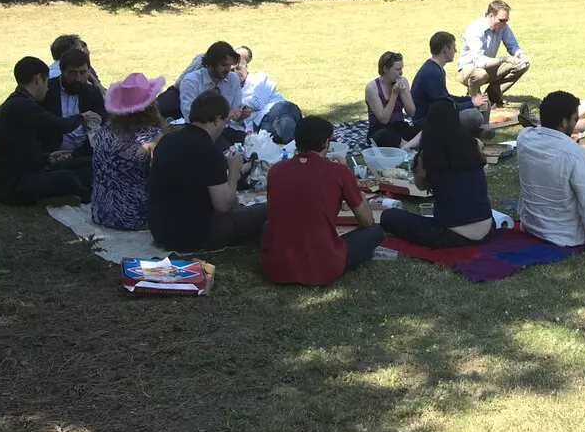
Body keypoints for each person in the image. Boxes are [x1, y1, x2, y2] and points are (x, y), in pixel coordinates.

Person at [260, 115, 386, 286]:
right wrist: (355, 190)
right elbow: (366, 221)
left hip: (276, 267)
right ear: (326, 142)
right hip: (322, 266)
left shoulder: (276, 170)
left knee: (268, 226)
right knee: (374, 232)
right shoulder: (339, 171)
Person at [148, 91, 268, 252]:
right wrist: (233, 172)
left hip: (160, 230)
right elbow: (223, 206)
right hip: (196, 236)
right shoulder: (209, 151)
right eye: (225, 121)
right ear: (218, 120)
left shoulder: (166, 141)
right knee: (267, 209)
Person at [379, 99, 494, 248]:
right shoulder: (474, 145)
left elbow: (420, 187)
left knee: (389, 216)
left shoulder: (427, 156)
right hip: (488, 228)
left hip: (451, 235)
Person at [514, 91, 585, 248]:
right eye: (575, 119)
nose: (576, 123)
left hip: (531, 225)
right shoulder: (575, 154)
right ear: (564, 122)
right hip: (566, 234)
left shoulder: (524, 138)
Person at [0, 56, 99, 206]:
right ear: (37, 79)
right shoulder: (21, 105)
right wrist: (82, 117)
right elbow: (58, 124)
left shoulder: (18, 102)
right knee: (66, 177)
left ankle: (63, 195)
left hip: (29, 171)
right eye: (46, 81)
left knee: (88, 164)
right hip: (14, 186)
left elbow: (21, 149)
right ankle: (83, 196)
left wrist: (47, 158)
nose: (47, 87)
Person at [88, 72, 166, 230]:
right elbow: (160, 180)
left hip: (101, 212)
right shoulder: (151, 137)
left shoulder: (105, 130)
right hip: (134, 217)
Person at [178, 41, 253, 148]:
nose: (228, 69)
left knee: (254, 144)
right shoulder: (191, 82)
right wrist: (225, 117)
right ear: (211, 63)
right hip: (202, 134)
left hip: (228, 130)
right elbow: (190, 119)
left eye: (230, 65)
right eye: (223, 65)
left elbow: (236, 111)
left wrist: (241, 114)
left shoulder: (232, 78)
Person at [411, 31, 488, 135]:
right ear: (445, 49)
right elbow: (444, 108)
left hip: (436, 115)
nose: (455, 51)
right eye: (453, 47)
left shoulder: (436, 68)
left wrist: (470, 99)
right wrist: (471, 103)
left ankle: (483, 131)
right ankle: (478, 133)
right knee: (473, 115)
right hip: (425, 122)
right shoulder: (432, 73)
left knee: (484, 101)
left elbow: (446, 99)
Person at [457, 0, 530, 107]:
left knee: (521, 65)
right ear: (491, 16)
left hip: (487, 67)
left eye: (507, 20)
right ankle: (473, 98)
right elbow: (479, 61)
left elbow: (512, 45)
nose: (505, 23)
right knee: (480, 74)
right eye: (502, 20)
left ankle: (492, 97)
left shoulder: (502, 26)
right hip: (468, 70)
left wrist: (521, 55)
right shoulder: (475, 29)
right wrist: (504, 59)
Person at [40, 45, 107, 155]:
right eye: (72, 72)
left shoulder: (92, 93)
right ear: (62, 70)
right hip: (52, 154)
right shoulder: (48, 90)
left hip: (85, 153)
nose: (78, 78)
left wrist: (75, 154)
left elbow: (101, 126)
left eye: (83, 73)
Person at [234, 45, 302, 145]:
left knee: (284, 124)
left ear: (246, 66)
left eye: (238, 68)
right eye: (232, 71)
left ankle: (302, 153)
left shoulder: (260, 78)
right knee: (268, 142)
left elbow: (256, 103)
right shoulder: (232, 90)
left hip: (277, 110)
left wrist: (236, 108)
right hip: (262, 125)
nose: (236, 73)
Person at [366, 51, 420, 146]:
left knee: (426, 127)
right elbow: (384, 119)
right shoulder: (372, 88)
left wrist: (402, 93)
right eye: (397, 69)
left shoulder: (403, 81)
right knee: (384, 136)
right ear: (386, 69)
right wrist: (394, 94)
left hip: (399, 126)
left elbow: (412, 112)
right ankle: (411, 145)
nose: (401, 73)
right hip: (380, 129)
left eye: (402, 69)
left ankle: (405, 146)